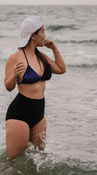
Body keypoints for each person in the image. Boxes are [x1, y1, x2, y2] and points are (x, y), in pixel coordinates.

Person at [4, 15, 66, 160]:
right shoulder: (15, 58)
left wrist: (54, 48)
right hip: (19, 114)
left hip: (39, 114)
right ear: (33, 36)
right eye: (43, 31)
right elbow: (8, 87)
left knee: (37, 159)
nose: (45, 35)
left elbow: (61, 69)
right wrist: (13, 75)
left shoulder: (42, 57)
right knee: (12, 162)